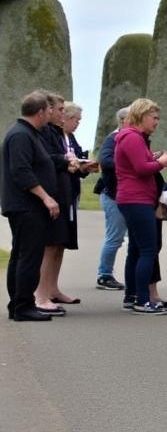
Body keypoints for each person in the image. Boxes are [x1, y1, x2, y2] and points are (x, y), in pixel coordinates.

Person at [2, 91, 61, 321]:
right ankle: (23, 306)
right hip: (26, 206)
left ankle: (18, 304)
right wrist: (46, 197)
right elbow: (21, 171)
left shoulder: (30, 134)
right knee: (29, 257)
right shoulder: (20, 136)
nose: (51, 114)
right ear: (39, 112)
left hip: (26, 206)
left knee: (21, 256)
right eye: (48, 110)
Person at [115, 98, 167, 314]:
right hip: (136, 199)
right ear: (142, 115)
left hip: (133, 199)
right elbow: (140, 168)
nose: (157, 122)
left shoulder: (132, 137)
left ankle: (131, 296)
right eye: (154, 118)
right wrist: (161, 162)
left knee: (136, 250)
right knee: (148, 250)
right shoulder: (132, 137)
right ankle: (142, 300)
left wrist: (154, 158)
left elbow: (138, 163)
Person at [35, 94, 91, 311]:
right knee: (49, 246)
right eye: (59, 110)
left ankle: (52, 289)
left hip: (65, 193)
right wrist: (68, 161)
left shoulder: (59, 134)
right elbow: (47, 160)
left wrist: (79, 165)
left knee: (59, 244)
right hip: (54, 194)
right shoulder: (45, 133)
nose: (61, 114)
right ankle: (40, 294)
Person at [95, 107, 129, 290]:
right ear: (123, 121)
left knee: (121, 237)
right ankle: (104, 275)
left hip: (122, 194)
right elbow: (105, 161)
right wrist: (130, 163)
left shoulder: (130, 137)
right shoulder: (113, 138)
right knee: (115, 237)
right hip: (113, 195)